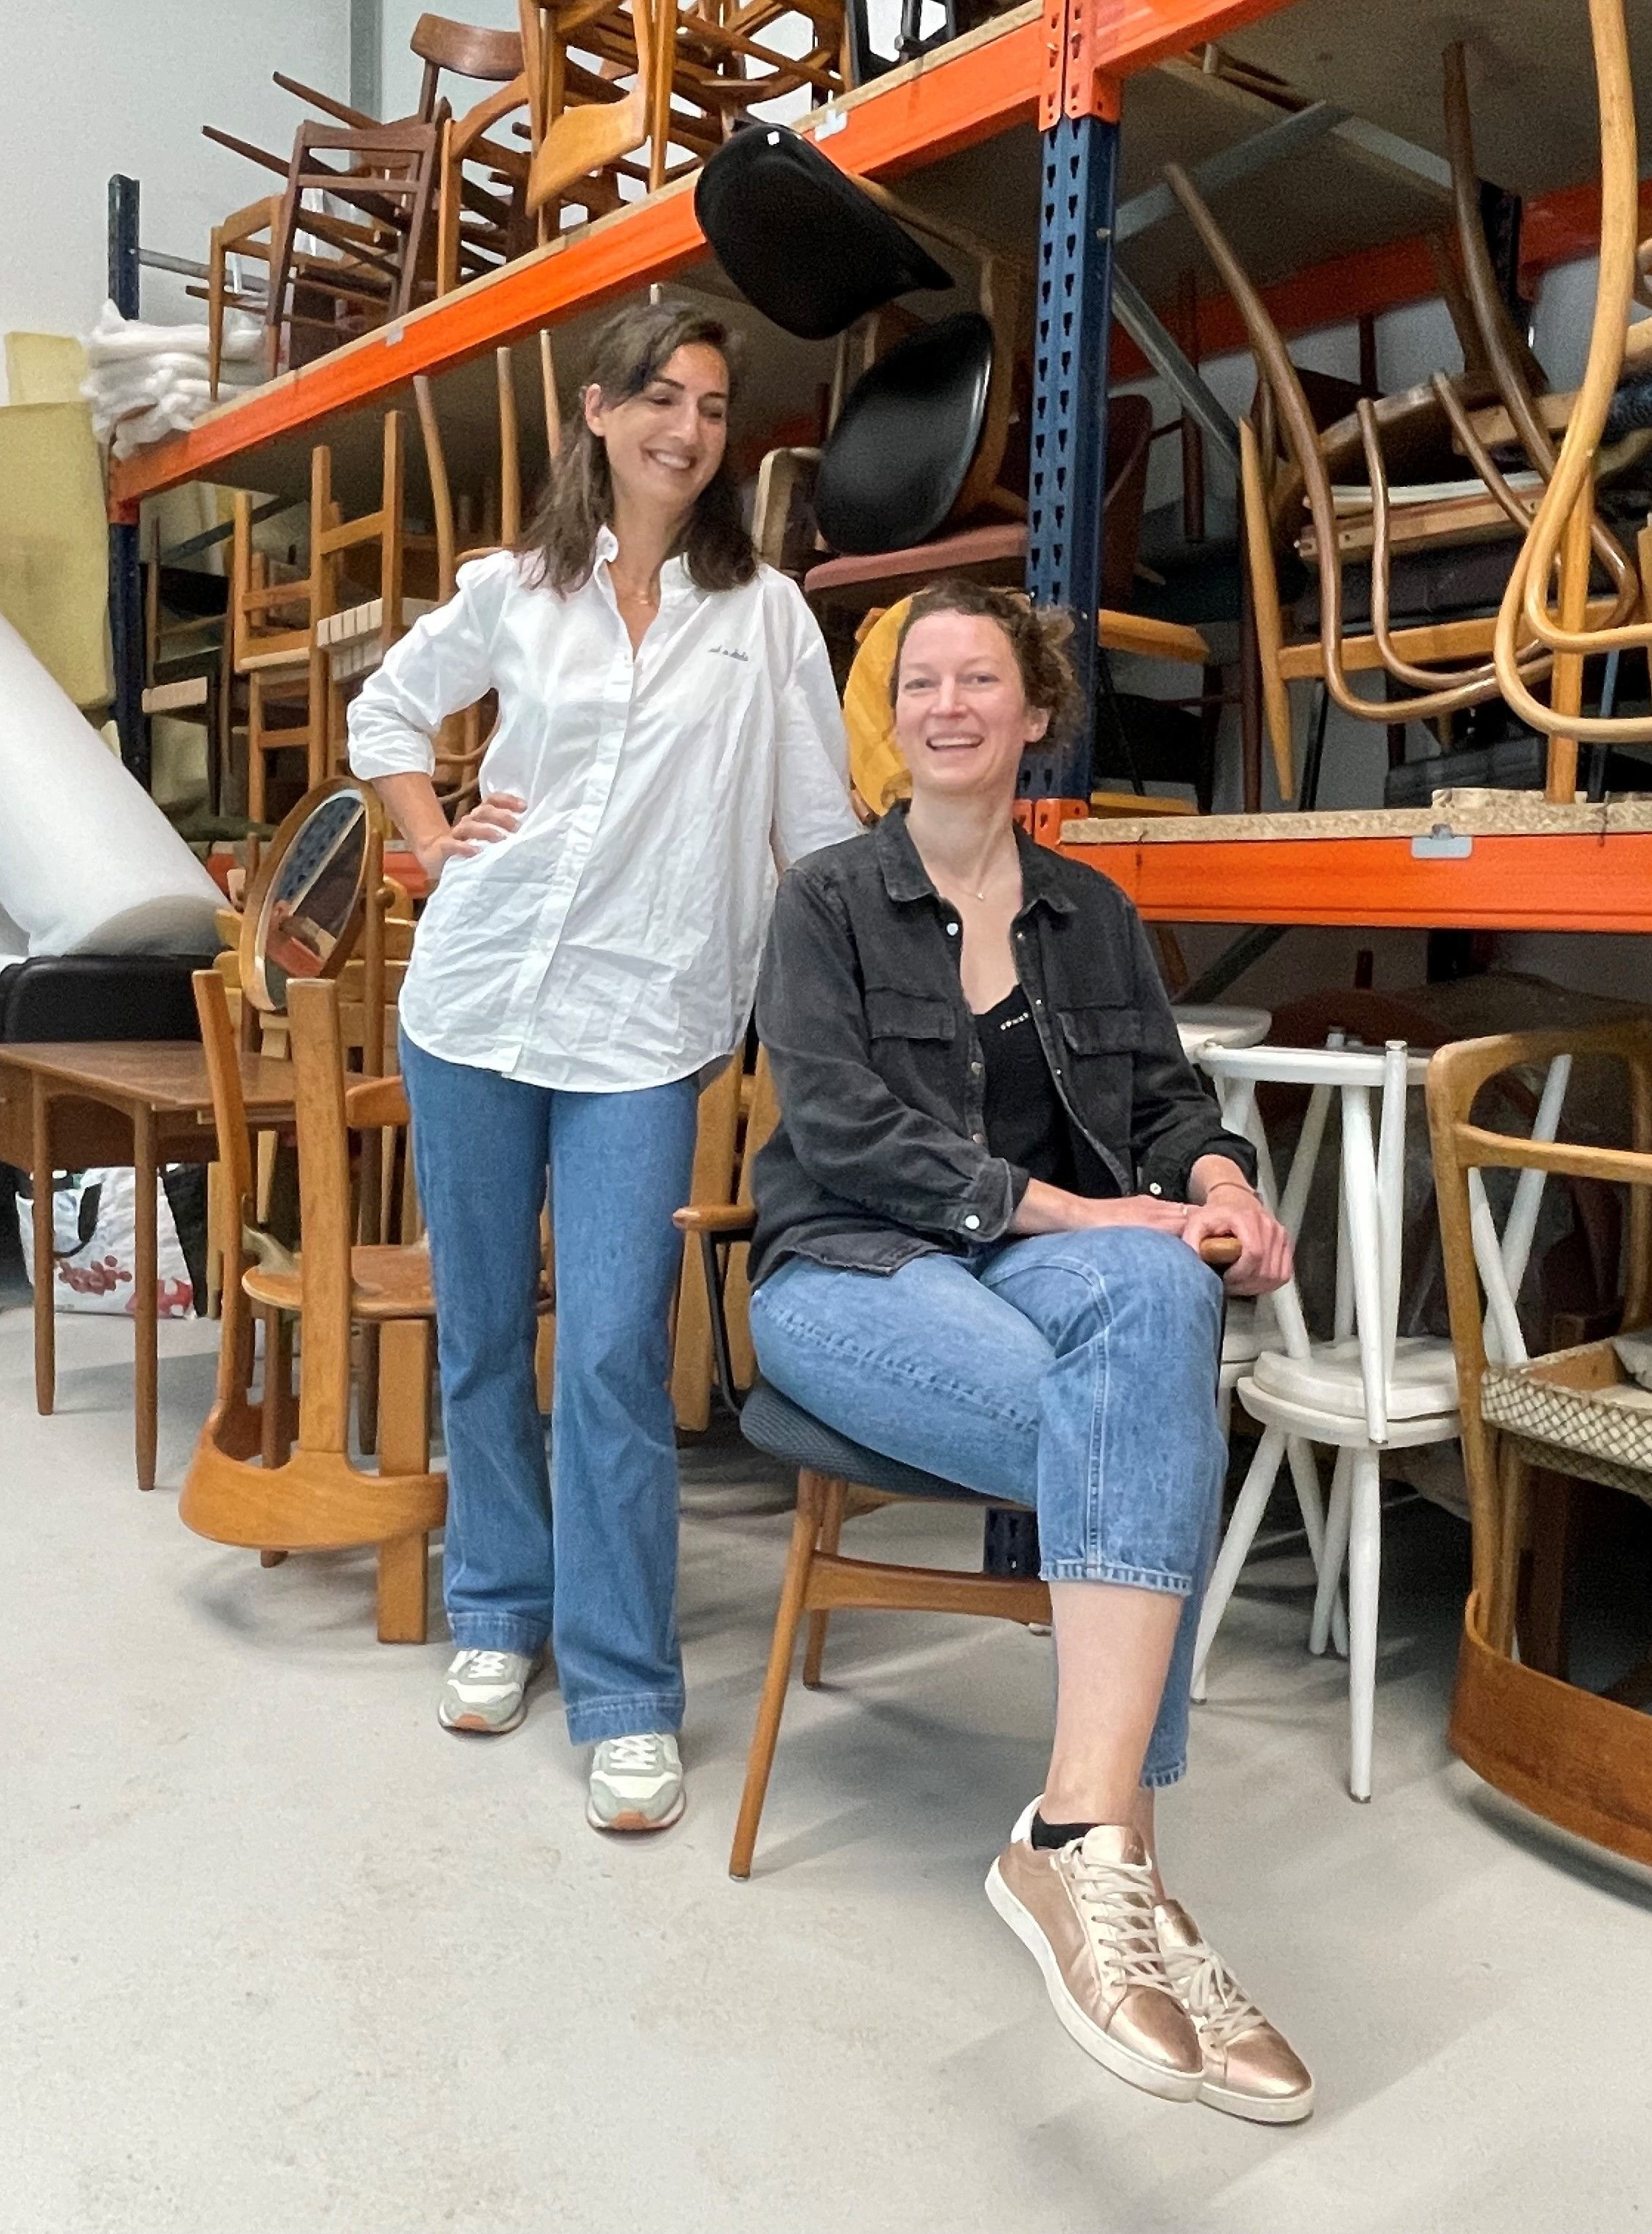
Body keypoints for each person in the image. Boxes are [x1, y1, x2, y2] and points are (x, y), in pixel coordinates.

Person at [744, 579, 1315, 2121]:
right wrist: (1070, 1209)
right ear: (896, 714)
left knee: (1164, 1307)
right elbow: (843, 1128)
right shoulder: (827, 904)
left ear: (1033, 713)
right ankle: (1125, 1873)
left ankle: (1080, 1844)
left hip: (1036, 1269)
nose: (945, 704)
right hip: (852, 1267)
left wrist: (1218, 1187)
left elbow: (1168, 1104)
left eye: (977, 679)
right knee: (1142, 1422)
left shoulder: (1096, 914)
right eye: (918, 679)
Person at [348, 301, 858, 1834]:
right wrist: (432, 840)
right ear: (596, 412)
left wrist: (836, 1009)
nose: (686, 430)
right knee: (487, 1333)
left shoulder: (767, 615)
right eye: (660, 399)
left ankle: (626, 1688)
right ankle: (498, 1611)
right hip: (480, 997)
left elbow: (816, 829)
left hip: (646, 1021)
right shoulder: (519, 591)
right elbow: (385, 710)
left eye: (710, 406)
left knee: (621, 1354)